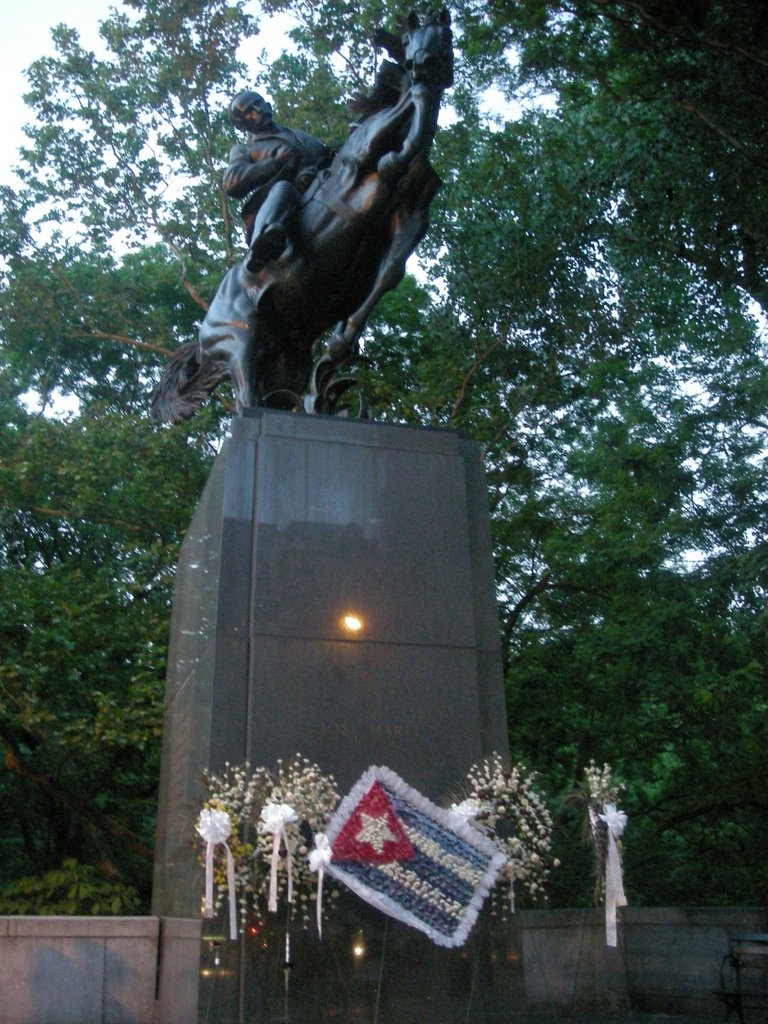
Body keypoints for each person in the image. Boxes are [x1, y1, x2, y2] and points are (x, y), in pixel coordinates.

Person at [224, 91, 335, 271]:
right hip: (286, 203)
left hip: (321, 191)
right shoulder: (245, 150)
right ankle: (262, 245)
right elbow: (231, 182)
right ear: (242, 125)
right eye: (249, 112)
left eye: (258, 103)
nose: (258, 110)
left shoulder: (298, 135)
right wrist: (275, 163)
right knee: (283, 188)